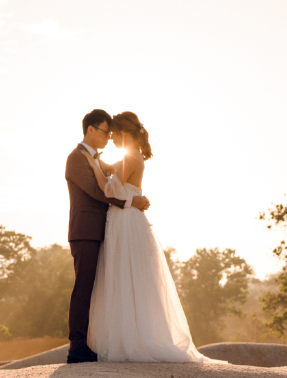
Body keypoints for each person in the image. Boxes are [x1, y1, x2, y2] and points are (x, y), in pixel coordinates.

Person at [77, 111, 224, 364]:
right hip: (127, 220)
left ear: (124, 133)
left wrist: (92, 165)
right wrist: (102, 166)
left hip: (125, 222)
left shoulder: (130, 158)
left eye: (114, 135)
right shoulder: (133, 158)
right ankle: (132, 335)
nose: (111, 139)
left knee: (124, 275)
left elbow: (109, 188)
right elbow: (114, 172)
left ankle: (129, 340)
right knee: (130, 277)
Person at [64, 109, 152, 364]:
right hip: (86, 231)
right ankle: (77, 346)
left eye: (112, 132)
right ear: (91, 129)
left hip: (104, 229)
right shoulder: (77, 158)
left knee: (102, 286)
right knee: (84, 286)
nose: (108, 136)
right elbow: (97, 191)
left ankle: (99, 341)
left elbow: (109, 177)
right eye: (105, 131)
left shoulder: (99, 159)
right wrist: (130, 201)